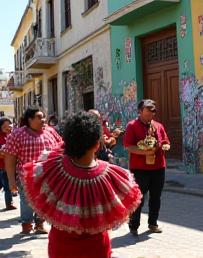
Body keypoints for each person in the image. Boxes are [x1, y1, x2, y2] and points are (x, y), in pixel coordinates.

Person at [21, 111, 142, 258]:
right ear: (97, 144)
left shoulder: (52, 168)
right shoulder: (112, 174)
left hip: (61, 247)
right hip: (96, 248)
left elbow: (33, 179)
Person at [4, 106, 63, 235]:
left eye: (43, 117)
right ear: (29, 120)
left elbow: (61, 147)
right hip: (25, 177)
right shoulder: (17, 135)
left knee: (44, 200)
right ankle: (26, 224)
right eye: (39, 117)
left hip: (47, 176)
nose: (43, 120)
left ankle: (40, 224)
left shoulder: (51, 132)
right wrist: (11, 180)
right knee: (26, 201)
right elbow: (10, 159)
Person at [123, 99, 170, 235]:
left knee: (156, 197)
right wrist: (145, 152)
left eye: (153, 109)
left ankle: (153, 223)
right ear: (140, 111)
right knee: (139, 198)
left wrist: (165, 145)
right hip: (140, 169)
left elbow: (165, 140)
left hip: (158, 167)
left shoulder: (158, 126)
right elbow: (128, 146)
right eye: (148, 109)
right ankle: (134, 225)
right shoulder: (132, 126)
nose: (152, 112)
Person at [0, 118, 16, 210]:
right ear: (0, 127)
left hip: (8, 163)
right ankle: (9, 203)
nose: (7, 128)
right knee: (6, 183)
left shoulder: (11, 136)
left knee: (0, 183)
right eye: (4, 126)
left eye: (8, 126)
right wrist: (0, 151)